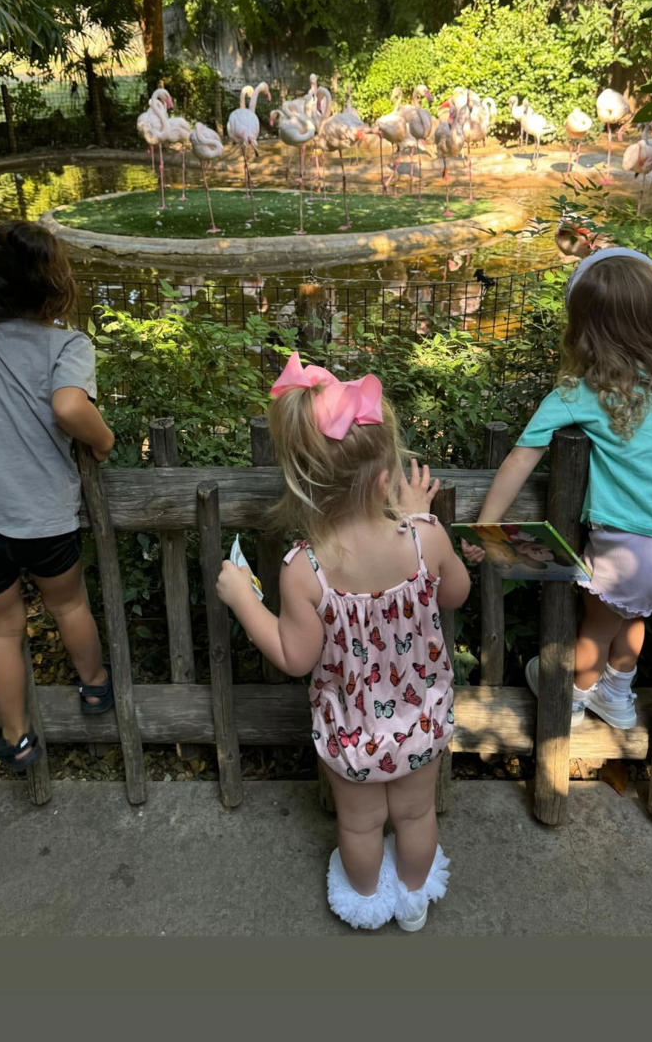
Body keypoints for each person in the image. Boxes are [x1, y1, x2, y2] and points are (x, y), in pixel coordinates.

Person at [216, 352, 470, 932]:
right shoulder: (424, 538)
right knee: (415, 812)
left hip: (351, 729)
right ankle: (412, 903)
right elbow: (455, 592)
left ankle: (364, 900)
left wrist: (242, 601)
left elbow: (293, 656)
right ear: (387, 475)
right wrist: (423, 521)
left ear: (304, 482)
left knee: (359, 825)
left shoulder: (305, 570)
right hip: (422, 720)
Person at [463, 247, 652, 730]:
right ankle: (617, 698)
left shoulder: (582, 392)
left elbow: (520, 457)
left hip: (628, 548)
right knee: (633, 618)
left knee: (597, 628)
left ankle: (573, 697)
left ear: (585, 325)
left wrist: (487, 525)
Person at [0, 222, 116, 772]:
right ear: (51, 285)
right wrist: (103, 439)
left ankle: (15, 736)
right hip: (42, 516)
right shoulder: (66, 345)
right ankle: (93, 685)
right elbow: (69, 408)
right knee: (68, 604)